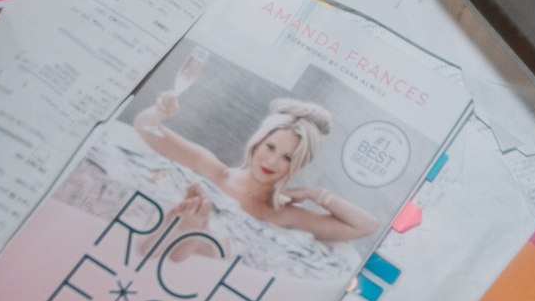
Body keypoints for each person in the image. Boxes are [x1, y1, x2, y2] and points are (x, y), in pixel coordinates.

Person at [131, 93, 381, 243]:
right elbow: (144, 127)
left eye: (287, 158)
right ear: (257, 143)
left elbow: (366, 226)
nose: (272, 162)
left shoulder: (281, 214)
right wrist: (159, 112)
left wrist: (315, 195)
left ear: (297, 165)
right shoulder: (213, 170)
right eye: (270, 147)